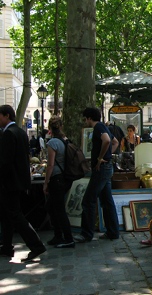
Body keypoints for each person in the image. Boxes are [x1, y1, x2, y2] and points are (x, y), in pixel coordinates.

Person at [0, 105, 46, 261]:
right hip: (19, 180)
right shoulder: (20, 132)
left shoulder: (8, 134)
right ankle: (6, 246)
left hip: (9, 182)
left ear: (6, 116)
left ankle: (36, 245)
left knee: (15, 215)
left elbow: (5, 162)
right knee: (8, 214)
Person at [74, 107, 120, 243]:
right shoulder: (103, 127)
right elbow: (115, 142)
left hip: (101, 169)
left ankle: (86, 234)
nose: (85, 121)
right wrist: (108, 155)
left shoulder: (98, 127)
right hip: (107, 168)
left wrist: (100, 158)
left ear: (88, 118)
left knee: (88, 201)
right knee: (107, 201)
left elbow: (106, 140)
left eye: (85, 118)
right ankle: (113, 232)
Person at [44, 117, 75, 248]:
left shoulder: (53, 143)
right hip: (65, 177)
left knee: (58, 209)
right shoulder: (66, 141)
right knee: (52, 207)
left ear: (50, 128)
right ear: (61, 126)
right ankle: (58, 235)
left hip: (56, 178)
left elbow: (50, 165)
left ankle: (68, 238)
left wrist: (46, 182)